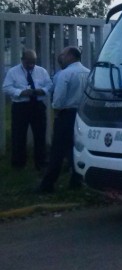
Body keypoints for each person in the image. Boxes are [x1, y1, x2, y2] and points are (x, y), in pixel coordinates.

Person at [39, 47, 90, 193]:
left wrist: (56, 111)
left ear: (70, 56)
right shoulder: (88, 72)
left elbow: (59, 99)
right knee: (76, 148)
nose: (60, 56)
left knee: (57, 151)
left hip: (65, 114)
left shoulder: (65, 74)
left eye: (62, 54)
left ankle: (47, 184)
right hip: (81, 115)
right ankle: (76, 181)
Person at [2, 49, 53, 170]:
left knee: (40, 134)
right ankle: (18, 163)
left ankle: (41, 162)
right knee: (19, 135)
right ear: (22, 60)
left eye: (33, 62)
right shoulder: (13, 72)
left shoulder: (41, 71)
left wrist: (43, 91)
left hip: (37, 105)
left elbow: (49, 84)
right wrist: (20, 92)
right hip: (21, 106)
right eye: (28, 62)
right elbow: (6, 87)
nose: (31, 65)